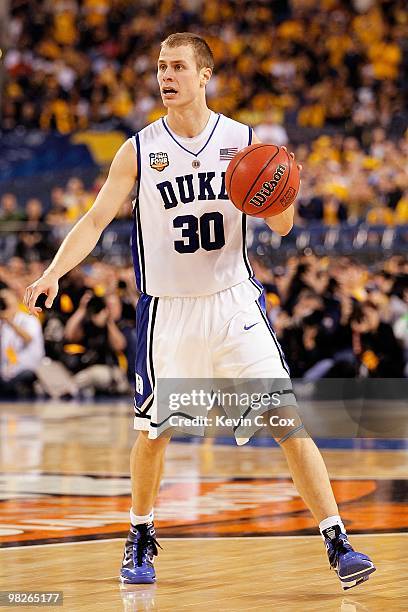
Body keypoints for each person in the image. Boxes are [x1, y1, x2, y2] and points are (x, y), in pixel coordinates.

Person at [24, 33, 375, 591]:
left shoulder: (245, 141)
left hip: (234, 300)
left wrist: (276, 198)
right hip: (169, 310)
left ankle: (338, 539)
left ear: (204, 74)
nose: (167, 75)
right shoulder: (138, 149)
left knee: (287, 422)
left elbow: (282, 228)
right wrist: (52, 273)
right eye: (161, 66)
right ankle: (140, 533)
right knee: (155, 435)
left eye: (178, 66)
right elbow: (94, 221)